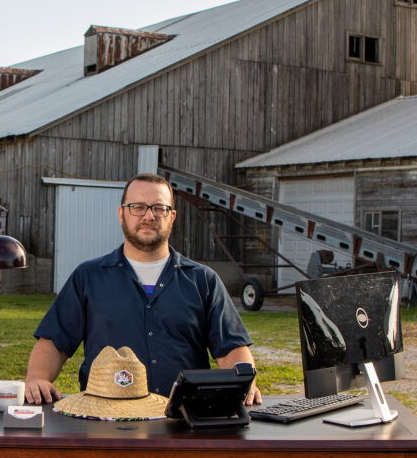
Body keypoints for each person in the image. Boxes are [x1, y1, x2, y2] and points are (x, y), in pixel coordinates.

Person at [24, 173, 261, 406]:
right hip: (106, 419)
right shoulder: (88, 278)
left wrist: (244, 382)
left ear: (172, 216)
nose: (148, 216)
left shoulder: (203, 281)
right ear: (121, 214)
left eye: (159, 208)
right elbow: (53, 343)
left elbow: (231, 348)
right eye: (138, 207)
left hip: (184, 421)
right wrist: (37, 379)